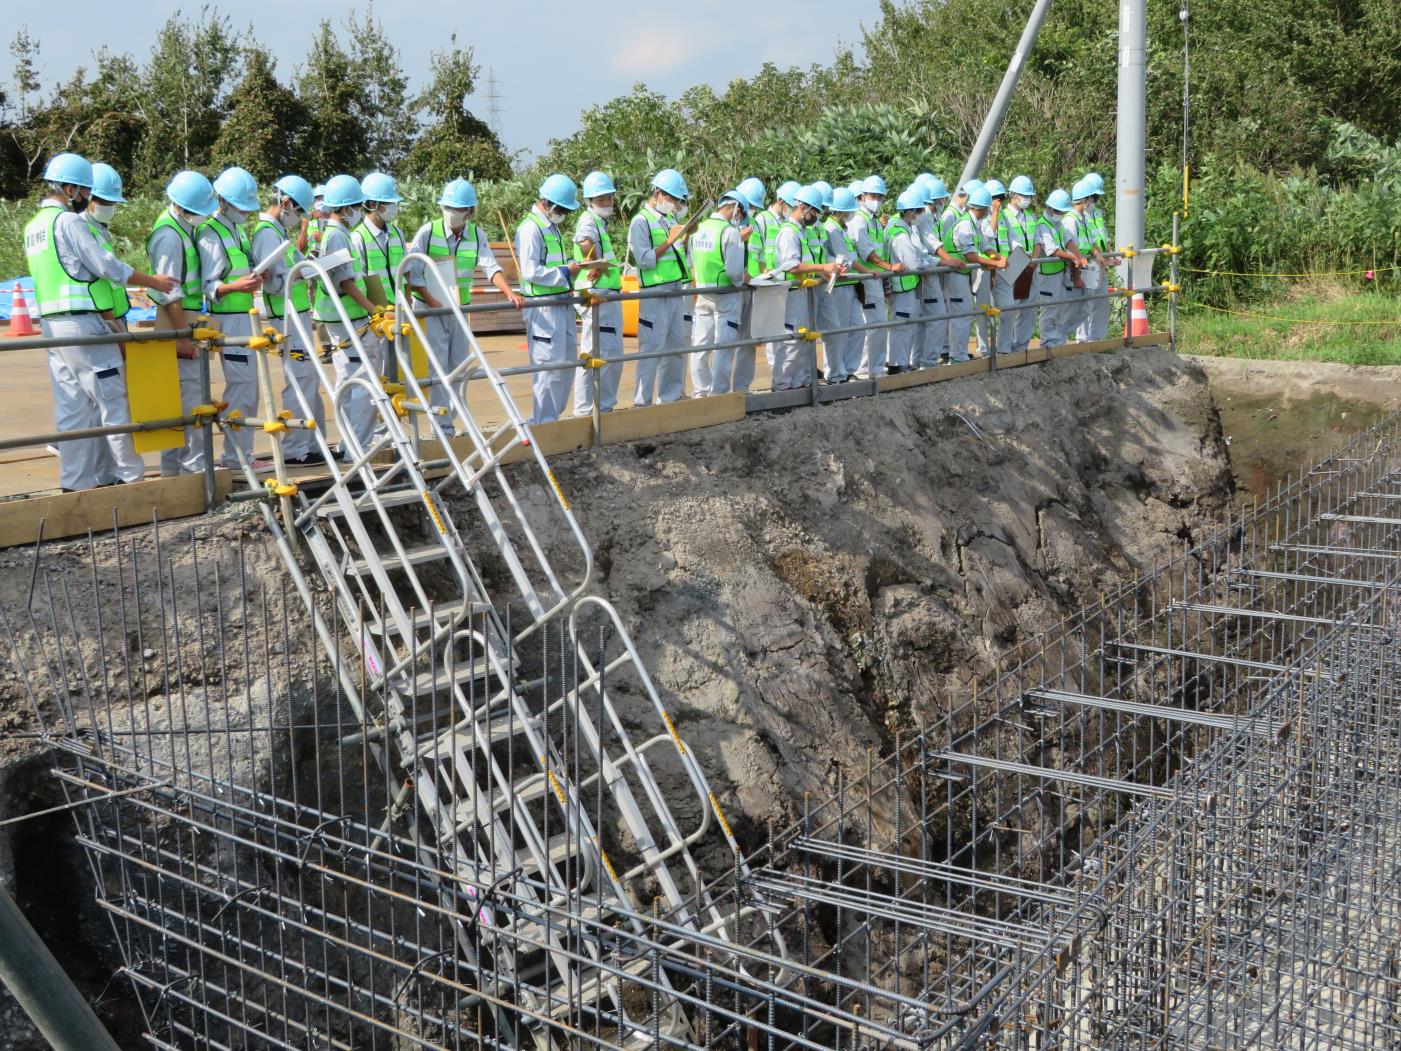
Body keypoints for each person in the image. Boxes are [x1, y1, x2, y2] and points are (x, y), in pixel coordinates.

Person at [24, 152, 177, 491]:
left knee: (73, 407)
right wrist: (153, 281)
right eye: (84, 193)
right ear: (70, 189)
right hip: (83, 325)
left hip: (52, 329)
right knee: (112, 400)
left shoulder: (33, 227)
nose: (85, 200)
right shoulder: (69, 222)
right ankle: (130, 478)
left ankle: (76, 483)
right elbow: (106, 267)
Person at [407, 179, 523, 430]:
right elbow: (412, 271)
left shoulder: (476, 234)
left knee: (459, 366)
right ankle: (441, 427)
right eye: (448, 207)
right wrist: (431, 300)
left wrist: (508, 292)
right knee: (436, 367)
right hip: (430, 309)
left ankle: (450, 422)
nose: (452, 213)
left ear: (470, 212)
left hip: (459, 310)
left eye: (458, 209)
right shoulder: (428, 232)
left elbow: (490, 266)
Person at [197, 166, 268, 470]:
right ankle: (237, 456)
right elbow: (209, 286)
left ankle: (243, 453)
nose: (246, 214)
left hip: (244, 317)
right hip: (228, 320)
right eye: (242, 207)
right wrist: (238, 286)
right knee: (242, 388)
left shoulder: (236, 230)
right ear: (223, 201)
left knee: (249, 388)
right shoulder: (210, 233)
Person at [147, 171, 216, 478]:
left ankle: (179, 471)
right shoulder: (169, 235)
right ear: (183, 206)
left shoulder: (181, 228)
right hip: (177, 320)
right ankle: (191, 471)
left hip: (184, 317)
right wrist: (182, 335)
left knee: (187, 398)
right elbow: (169, 290)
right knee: (189, 400)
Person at [309, 174, 382, 457]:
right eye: (356, 206)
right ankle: (356, 449)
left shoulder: (332, 233)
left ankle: (347, 444)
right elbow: (346, 282)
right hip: (350, 322)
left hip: (342, 322)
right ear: (349, 207)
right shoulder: (338, 235)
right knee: (362, 385)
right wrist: (373, 309)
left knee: (347, 381)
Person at [518, 173, 600, 424]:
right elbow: (530, 271)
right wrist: (567, 271)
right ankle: (543, 422)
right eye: (562, 209)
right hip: (542, 308)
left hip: (560, 303)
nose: (564, 214)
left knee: (564, 366)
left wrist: (569, 270)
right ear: (548, 205)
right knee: (547, 369)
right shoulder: (531, 228)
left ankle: (552, 419)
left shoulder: (550, 227)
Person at [254, 174, 324, 464]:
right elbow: (272, 282)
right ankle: (295, 449)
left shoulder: (277, 232)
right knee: (299, 380)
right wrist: (299, 274)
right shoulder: (267, 233)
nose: (299, 219)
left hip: (296, 313)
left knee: (309, 379)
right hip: (286, 317)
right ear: (285, 203)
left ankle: (310, 443)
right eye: (299, 213)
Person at [628, 169, 693, 406]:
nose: (674, 204)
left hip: (674, 291)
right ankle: (642, 403)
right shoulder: (640, 221)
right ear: (657, 193)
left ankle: (670, 398)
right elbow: (644, 260)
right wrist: (670, 241)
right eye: (672, 198)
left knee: (675, 348)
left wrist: (684, 239)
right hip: (654, 294)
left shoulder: (670, 220)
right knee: (651, 349)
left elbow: (679, 257)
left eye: (676, 200)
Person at [773, 185, 845, 389]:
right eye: (814, 211)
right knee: (792, 341)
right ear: (803, 208)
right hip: (792, 293)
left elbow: (805, 263)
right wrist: (824, 266)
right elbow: (792, 265)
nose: (816, 216)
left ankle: (801, 383)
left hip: (803, 292)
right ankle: (782, 386)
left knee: (803, 340)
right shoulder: (789, 232)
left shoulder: (801, 230)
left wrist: (821, 272)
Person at [571, 170, 625, 416]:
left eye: (610, 198)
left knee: (609, 355)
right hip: (596, 295)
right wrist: (593, 262)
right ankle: (587, 411)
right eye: (602, 199)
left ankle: (601, 407)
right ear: (590, 200)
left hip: (604, 294)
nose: (608, 203)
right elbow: (584, 242)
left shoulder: (598, 221)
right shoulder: (588, 220)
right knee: (594, 355)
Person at [690, 191, 749, 397]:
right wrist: (744, 279)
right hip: (725, 295)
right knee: (723, 347)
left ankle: (700, 391)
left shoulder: (700, 228)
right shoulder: (729, 232)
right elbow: (734, 271)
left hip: (703, 293)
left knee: (700, 345)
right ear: (737, 209)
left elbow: (692, 263)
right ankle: (718, 393)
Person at [848, 175, 903, 378]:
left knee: (873, 324)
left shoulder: (871, 220)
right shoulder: (859, 220)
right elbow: (867, 252)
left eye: (880, 196)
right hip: (867, 278)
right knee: (876, 323)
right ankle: (874, 368)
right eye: (873, 196)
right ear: (862, 197)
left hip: (874, 277)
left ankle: (867, 366)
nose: (877, 200)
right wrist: (890, 266)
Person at [820, 187, 865, 383]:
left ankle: (847, 369)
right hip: (837, 286)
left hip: (849, 283)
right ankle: (835, 372)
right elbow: (846, 258)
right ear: (840, 210)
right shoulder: (831, 229)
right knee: (838, 331)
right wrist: (866, 271)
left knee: (856, 327)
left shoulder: (841, 228)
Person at [992, 175, 1039, 355]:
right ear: (1013, 195)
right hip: (1013, 263)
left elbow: (1036, 241)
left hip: (1030, 264)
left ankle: (1021, 346)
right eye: (1023, 195)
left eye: (1028, 196)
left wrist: (1034, 259)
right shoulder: (1004, 216)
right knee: (1009, 308)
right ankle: (1004, 347)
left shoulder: (1030, 216)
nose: (1026, 199)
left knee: (1028, 308)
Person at [884, 187, 928, 374]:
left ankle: (899, 362)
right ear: (909, 212)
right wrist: (926, 263)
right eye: (918, 211)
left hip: (904, 286)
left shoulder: (898, 226)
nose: (920, 215)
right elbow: (912, 263)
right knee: (902, 326)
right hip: (901, 287)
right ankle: (896, 364)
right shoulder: (900, 234)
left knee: (903, 325)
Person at [1034, 189, 1085, 349]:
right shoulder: (1042, 225)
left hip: (1060, 273)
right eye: (1058, 211)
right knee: (1049, 309)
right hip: (1047, 275)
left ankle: (1058, 341)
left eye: (1062, 211)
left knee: (1061, 308)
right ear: (1049, 209)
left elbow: (1069, 241)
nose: (1060, 214)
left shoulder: (1058, 224)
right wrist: (1073, 258)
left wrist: (1078, 255)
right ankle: (1048, 343)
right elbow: (1053, 250)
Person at [913, 176, 954, 367]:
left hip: (929, 270)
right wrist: (949, 261)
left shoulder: (928, 217)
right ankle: (927, 360)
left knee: (924, 320)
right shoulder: (924, 218)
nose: (942, 203)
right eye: (941, 199)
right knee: (937, 317)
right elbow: (932, 244)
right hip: (927, 272)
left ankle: (919, 360)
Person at [734, 177, 769, 393]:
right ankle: (716, 391)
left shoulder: (755, 223)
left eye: (755, 207)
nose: (752, 210)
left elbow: (760, 254)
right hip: (734, 287)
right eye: (751, 205)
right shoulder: (728, 221)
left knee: (748, 340)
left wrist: (764, 270)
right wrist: (739, 237)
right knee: (728, 340)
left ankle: (742, 387)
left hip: (753, 286)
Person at [973, 178, 1007, 356]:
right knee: (982, 308)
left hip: (997, 266)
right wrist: (994, 212)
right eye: (996, 198)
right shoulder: (981, 218)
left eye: (1002, 198)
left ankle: (1000, 346)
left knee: (1001, 308)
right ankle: (983, 347)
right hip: (983, 268)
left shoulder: (1003, 217)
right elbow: (989, 236)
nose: (999, 202)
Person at [1078, 172, 1113, 340]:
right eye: (1092, 197)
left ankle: (1097, 338)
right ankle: (1082, 339)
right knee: (1085, 302)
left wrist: (1110, 255)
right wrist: (1099, 256)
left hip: (1100, 262)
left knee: (1101, 302)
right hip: (1089, 262)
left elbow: (1103, 237)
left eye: (1096, 198)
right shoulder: (1079, 215)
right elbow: (1087, 240)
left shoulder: (1097, 213)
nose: (1094, 201)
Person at [1061, 180, 1096, 342]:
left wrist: (1102, 259)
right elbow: (1070, 245)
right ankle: (1059, 336)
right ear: (1084, 200)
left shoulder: (1084, 218)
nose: (1092, 202)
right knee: (1072, 307)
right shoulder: (1071, 219)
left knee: (1085, 308)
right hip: (1074, 270)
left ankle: (1062, 335)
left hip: (1085, 269)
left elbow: (1090, 243)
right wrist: (1076, 277)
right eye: (1091, 199)